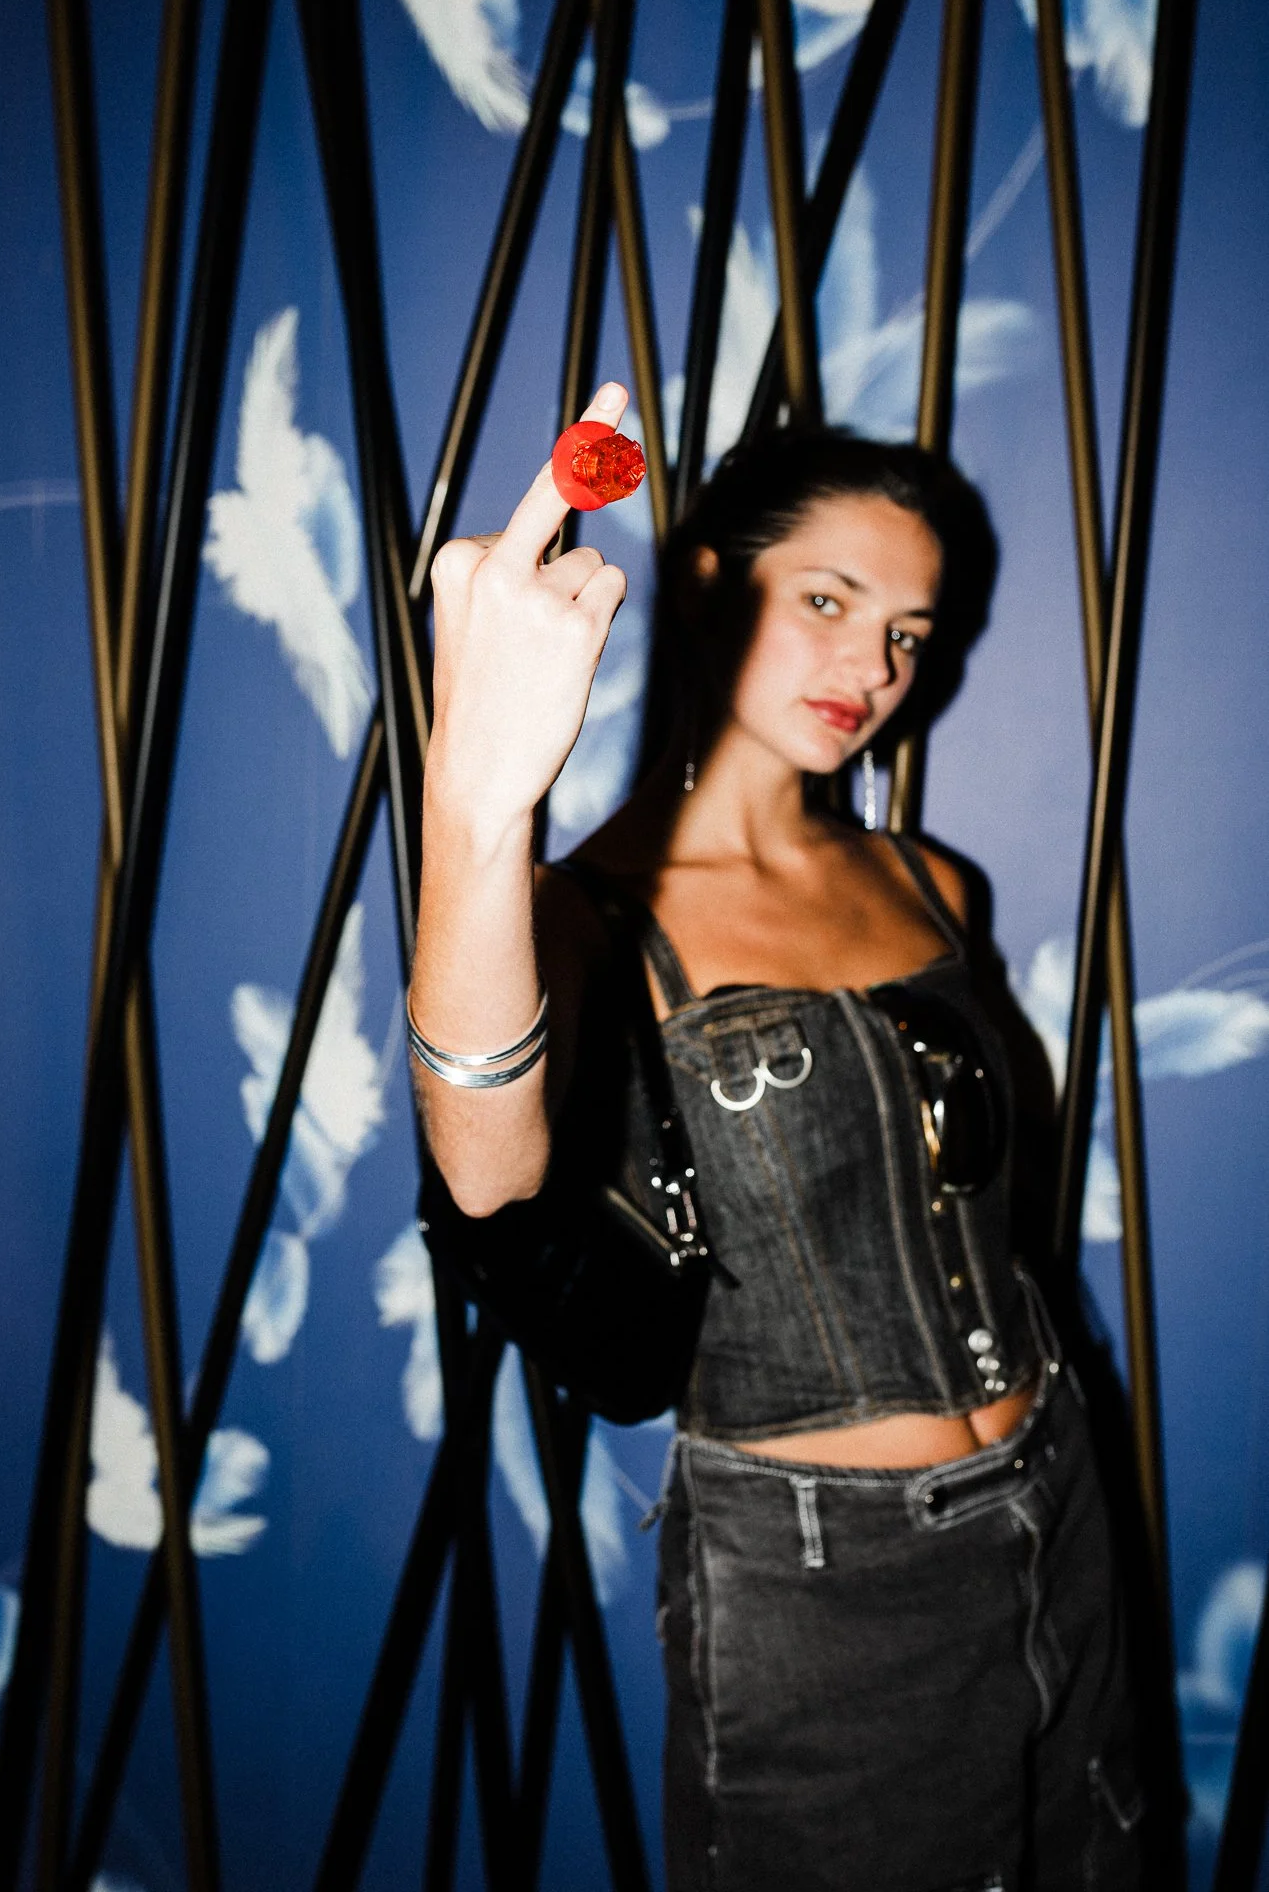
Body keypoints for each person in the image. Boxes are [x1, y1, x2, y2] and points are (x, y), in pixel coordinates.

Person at [408, 382, 1144, 1890]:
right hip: (822, 1582)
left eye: (909, 634)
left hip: (1059, 1510)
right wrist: (475, 804)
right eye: (828, 597)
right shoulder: (591, 917)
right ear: (706, 587)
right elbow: (484, 1169)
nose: (873, 665)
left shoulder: (932, 880)